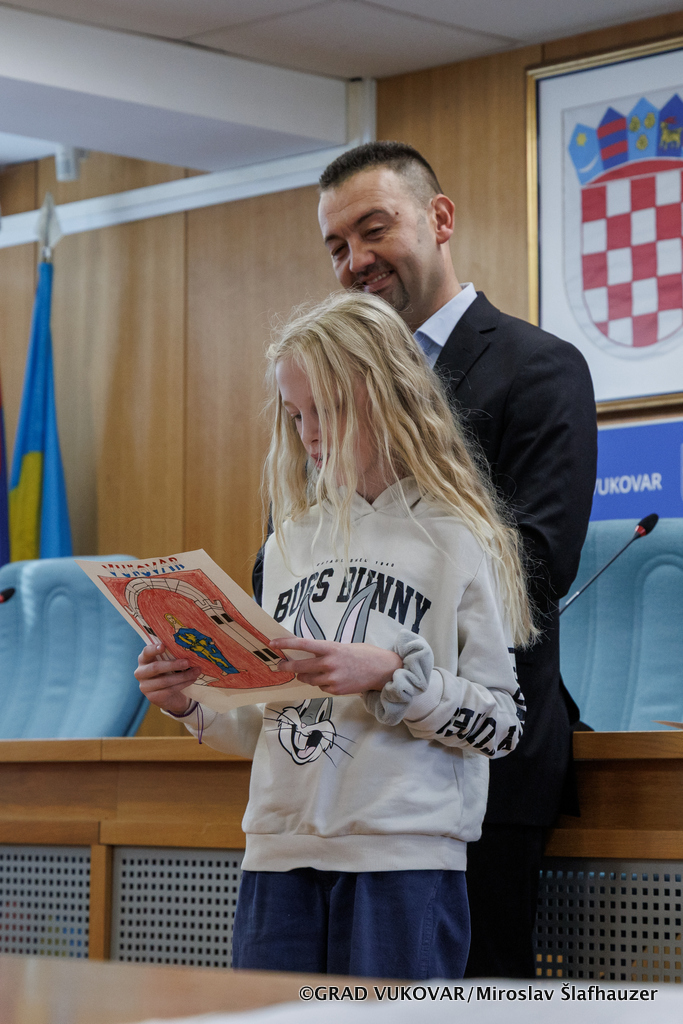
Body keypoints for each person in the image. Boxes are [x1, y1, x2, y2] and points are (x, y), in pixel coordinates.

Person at [136, 291, 534, 980]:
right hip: (277, 852)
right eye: (296, 415)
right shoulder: (287, 544)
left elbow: (501, 726)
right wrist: (186, 701)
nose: (310, 434)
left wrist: (391, 676)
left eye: (328, 409)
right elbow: (264, 723)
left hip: (402, 858)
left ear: (390, 397)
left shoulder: (459, 537)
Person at [308, 141, 598, 978]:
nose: (355, 261)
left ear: (439, 219)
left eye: (373, 230)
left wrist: (380, 590)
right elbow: (286, 557)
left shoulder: (539, 368)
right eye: (336, 246)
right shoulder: (330, 392)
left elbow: (533, 570)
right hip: (343, 770)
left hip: (479, 762)